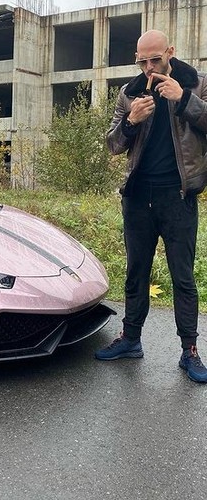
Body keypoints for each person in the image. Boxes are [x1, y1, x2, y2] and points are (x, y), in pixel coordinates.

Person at [95, 29, 207, 383]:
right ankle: (130, 339)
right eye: (141, 60)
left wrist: (184, 100)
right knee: (136, 272)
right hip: (138, 197)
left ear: (170, 52)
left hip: (178, 197)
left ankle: (189, 350)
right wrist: (131, 122)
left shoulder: (198, 84)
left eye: (154, 59)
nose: (148, 67)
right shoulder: (129, 94)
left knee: (183, 277)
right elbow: (112, 146)